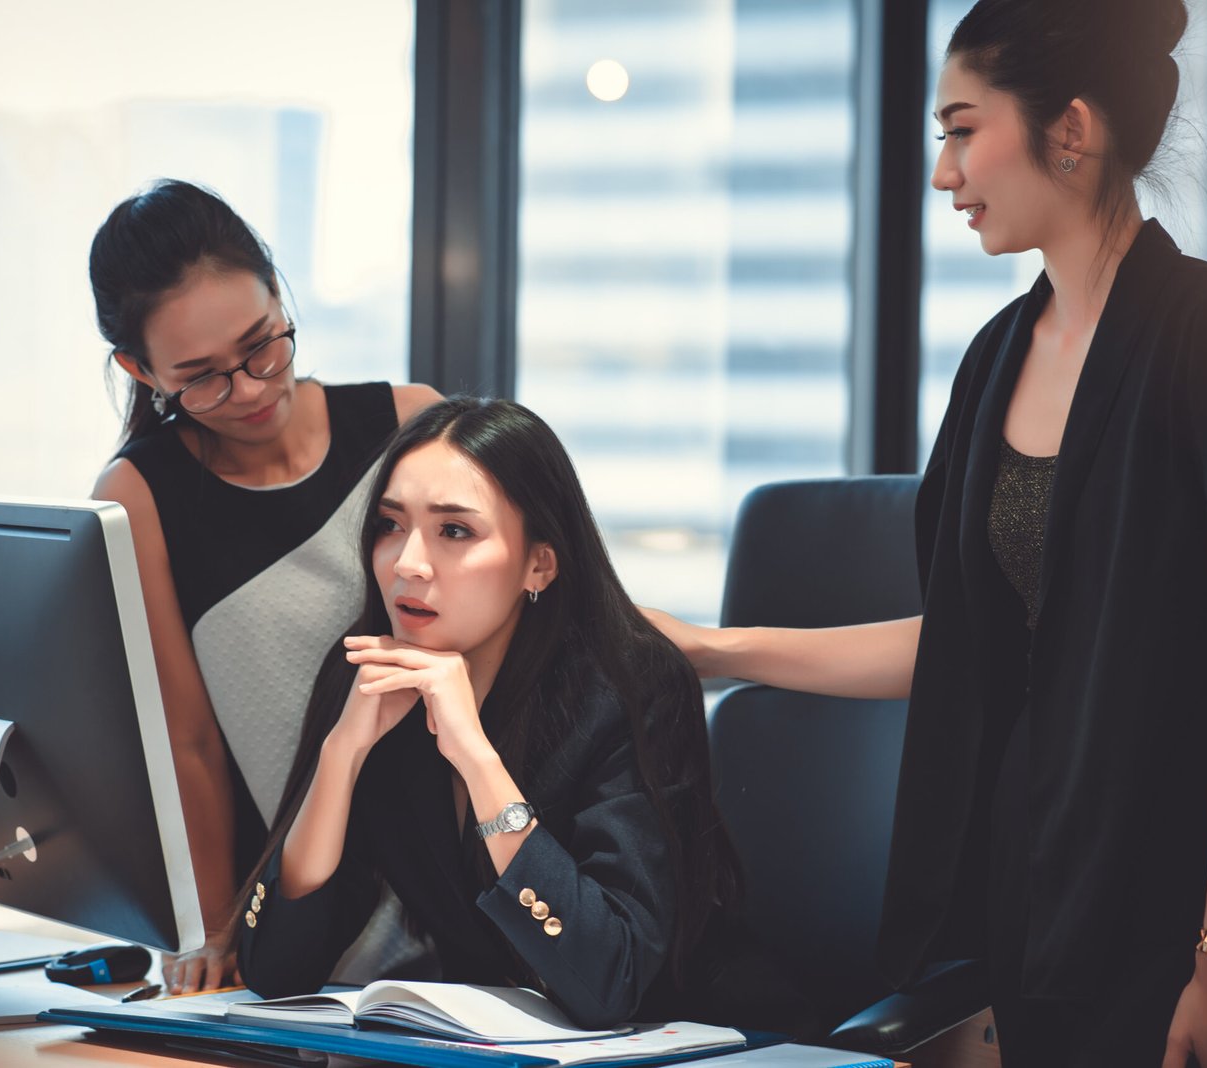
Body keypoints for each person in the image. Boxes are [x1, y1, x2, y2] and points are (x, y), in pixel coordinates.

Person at [646, 1, 1207, 1064]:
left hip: (1180, 911)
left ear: (1068, 130)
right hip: (1030, 901)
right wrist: (712, 650)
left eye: (960, 128)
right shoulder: (993, 360)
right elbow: (971, 647)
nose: (943, 172)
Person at [235, 397, 745, 1030]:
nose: (407, 562)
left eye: (455, 531)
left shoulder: (630, 686)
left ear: (539, 563)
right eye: (390, 525)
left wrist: (476, 759)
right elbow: (274, 972)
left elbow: (613, 982)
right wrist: (340, 756)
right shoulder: (368, 676)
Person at [89, 179, 439, 993]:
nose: (249, 390)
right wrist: (212, 928)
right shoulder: (138, 498)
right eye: (201, 376)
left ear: (280, 298)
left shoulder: (410, 422)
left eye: (262, 345)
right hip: (292, 906)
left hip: (452, 859)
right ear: (140, 370)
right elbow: (191, 743)